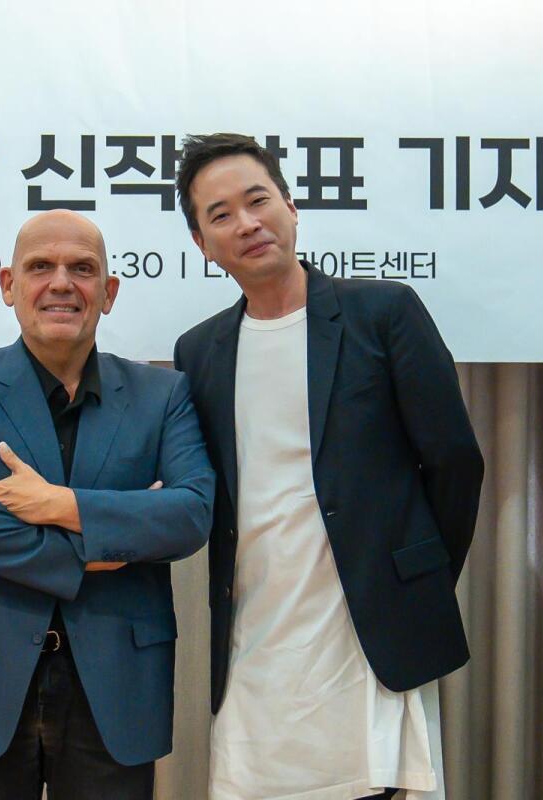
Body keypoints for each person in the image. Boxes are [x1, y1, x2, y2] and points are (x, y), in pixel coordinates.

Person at [173, 134, 484, 800]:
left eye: (258, 200)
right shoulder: (198, 352)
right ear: (202, 244)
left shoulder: (383, 313)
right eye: (221, 214)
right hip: (256, 637)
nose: (247, 223)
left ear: (291, 208)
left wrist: (412, 578)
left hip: (364, 636)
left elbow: (455, 461)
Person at [0, 209, 215, 800]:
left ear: (109, 292)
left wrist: (57, 503)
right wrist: (101, 546)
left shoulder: (163, 394)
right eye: (40, 266)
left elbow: (190, 514)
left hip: (115, 681)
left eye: (82, 269)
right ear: (9, 285)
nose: (62, 283)